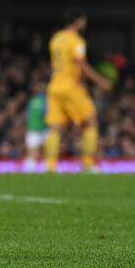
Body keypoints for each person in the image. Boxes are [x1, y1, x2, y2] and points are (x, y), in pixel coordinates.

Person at [44, 10, 112, 172]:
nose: (85, 23)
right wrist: (101, 81)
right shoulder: (76, 41)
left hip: (54, 86)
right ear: (76, 21)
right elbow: (81, 65)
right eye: (83, 20)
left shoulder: (56, 39)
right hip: (70, 87)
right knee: (91, 121)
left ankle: (51, 166)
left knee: (55, 127)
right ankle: (88, 163)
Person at [23, 81, 48, 172]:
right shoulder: (46, 101)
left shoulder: (31, 101)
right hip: (43, 128)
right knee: (44, 150)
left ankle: (29, 169)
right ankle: (45, 168)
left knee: (31, 150)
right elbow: (46, 114)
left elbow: (27, 116)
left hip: (32, 128)